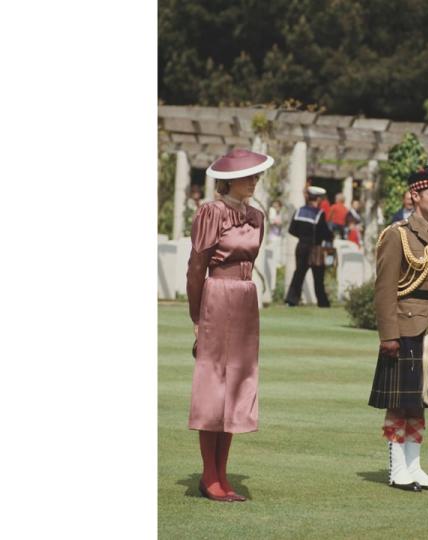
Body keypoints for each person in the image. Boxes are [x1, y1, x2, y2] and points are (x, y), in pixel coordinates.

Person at [186, 148, 274, 503]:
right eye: (248, 176)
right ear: (229, 179)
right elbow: (196, 268)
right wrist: (196, 317)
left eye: (256, 176)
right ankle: (209, 476)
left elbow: (250, 259)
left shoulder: (257, 216)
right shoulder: (211, 212)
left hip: (245, 299)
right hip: (217, 298)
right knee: (214, 387)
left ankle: (223, 473)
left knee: (238, 384)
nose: (254, 181)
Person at [368, 165, 428, 493]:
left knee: (423, 399)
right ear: (415, 196)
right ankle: (397, 468)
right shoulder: (398, 234)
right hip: (405, 326)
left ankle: (415, 466)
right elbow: (385, 288)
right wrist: (388, 334)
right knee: (400, 401)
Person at [284, 185, 334, 307]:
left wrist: (303, 237)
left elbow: (292, 230)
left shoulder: (299, 211)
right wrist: (331, 235)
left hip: (301, 246)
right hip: (315, 249)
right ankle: (322, 302)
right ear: (317, 199)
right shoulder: (319, 213)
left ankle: (291, 300)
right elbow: (324, 232)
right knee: (318, 277)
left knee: (299, 274)